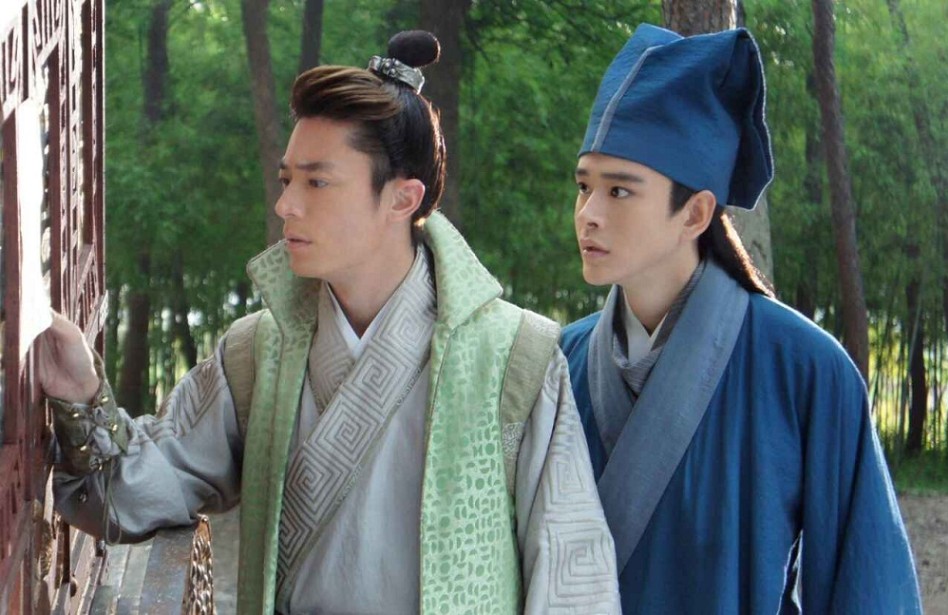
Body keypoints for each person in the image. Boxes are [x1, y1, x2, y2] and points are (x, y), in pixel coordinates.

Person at [40, 31, 620, 614]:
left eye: (317, 182)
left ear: (402, 199)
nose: (286, 204)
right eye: (287, 179)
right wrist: (81, 394)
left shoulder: (515, 358)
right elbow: (135, 493)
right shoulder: (256, 352)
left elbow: (572, 579)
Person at [559, 23, 922, 613]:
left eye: (619, 191)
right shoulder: (557, 363)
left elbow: (867, 585)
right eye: (583, 186)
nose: (588, 214)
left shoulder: (806, 369)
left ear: (695, 213)